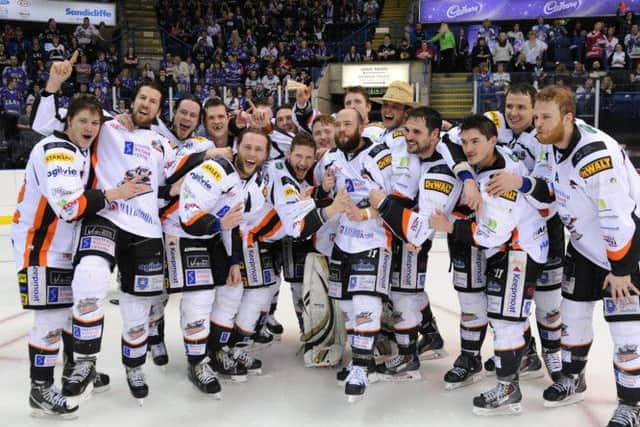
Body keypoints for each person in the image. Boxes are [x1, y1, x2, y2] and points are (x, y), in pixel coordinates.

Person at [31, 52, 204, 404]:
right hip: (106, 216)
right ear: (133, 99)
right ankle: (84, 360)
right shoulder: (105, 123)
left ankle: (134, 366)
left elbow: (172, 180)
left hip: (147, 231)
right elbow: (47, 126)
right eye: (143, 98)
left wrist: (215, 153)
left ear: (160, 109)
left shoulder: (163, 143)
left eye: (154, 101)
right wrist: (53, 85)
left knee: (137, 307)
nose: (147, 104)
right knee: (90, 277)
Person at [11, 94, 147, 418]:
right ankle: (40, 390)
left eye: (95, 122)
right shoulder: (56, 151)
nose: (89, 127)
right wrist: (117, 194)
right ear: (68, 122)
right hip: (41, 246)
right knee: (50, 319)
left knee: (73, 312)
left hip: (64, 247)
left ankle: (75, 369)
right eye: (82, 121)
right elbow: (70, 207)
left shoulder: (80, 150)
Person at [534, 85, 640, 427]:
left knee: (627, 334)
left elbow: (617, 217)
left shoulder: (594, 155)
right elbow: (554, 190)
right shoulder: (553, 143)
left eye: (545, 117)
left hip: (624, 249)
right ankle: (573, 378)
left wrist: (621, 268)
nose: (538, 124)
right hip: (583, 246)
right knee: (573, 316)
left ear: (568, 117)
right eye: (536, 116)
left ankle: (632, 404)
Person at [431, 115, 549, 415]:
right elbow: (447, 140)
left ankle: (509, 387)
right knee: (507, 316)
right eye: (466, 141)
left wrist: (450, 227)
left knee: (505, 319)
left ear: (492, 142)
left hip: (519, 250)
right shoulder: (488, 156)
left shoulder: (501, 178)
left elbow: (488, 235)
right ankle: (524, 360)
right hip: (512, 247)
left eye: (475, 142)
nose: (468, 148)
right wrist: (468, 178)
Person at [316, 108, 394, 401]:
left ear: (362, 125)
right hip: (343, 242)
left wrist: (366, 212)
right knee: (348, 306)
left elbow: (396, 200)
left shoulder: (379, 156)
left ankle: (361, 367)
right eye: (339, 124)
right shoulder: (331, 158)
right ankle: (364, 357)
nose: (342, 129)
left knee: (365, 304)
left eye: (348, 124)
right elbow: (323, 196)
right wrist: (323, 190)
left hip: (373, 239)